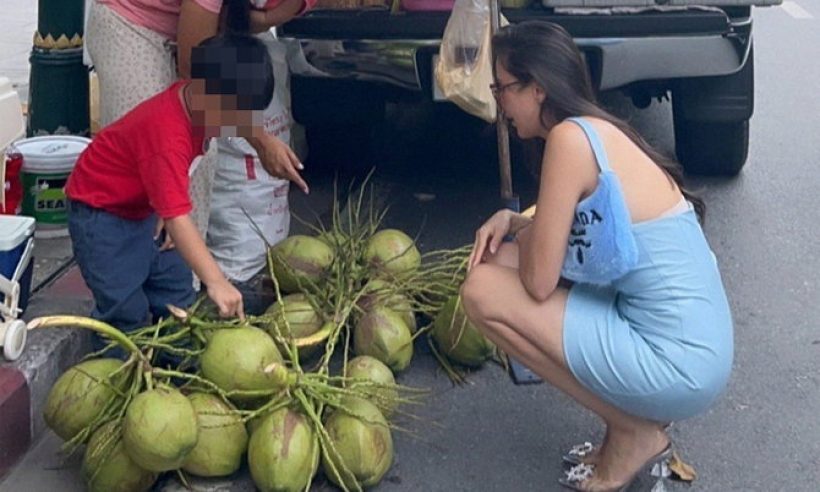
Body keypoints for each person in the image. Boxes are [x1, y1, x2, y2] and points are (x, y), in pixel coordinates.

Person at [461, 21, 733, 491]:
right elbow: (589, 246)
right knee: (499, 260)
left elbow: (540, 282)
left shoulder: (569, 141)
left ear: (538, 90)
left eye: (501, 88)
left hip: (679, 361)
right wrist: (514, 224)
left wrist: (524, 238)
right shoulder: (595, 132)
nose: (499, 104)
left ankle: (633, 433)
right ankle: (625, 427)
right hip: (695, 348)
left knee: (482, 289)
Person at [65, 32, 276, 351]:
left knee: (176, 291)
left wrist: (163, 206)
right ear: (204, 90)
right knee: (124, 307)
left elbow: (176, 190)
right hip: (102, 213)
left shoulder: (198, 106)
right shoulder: (166, 134)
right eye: (231, 116)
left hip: (144, 208)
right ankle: (122, 374)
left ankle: (175, 361)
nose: (234, 126)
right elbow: (178, 216)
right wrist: (216, 280)